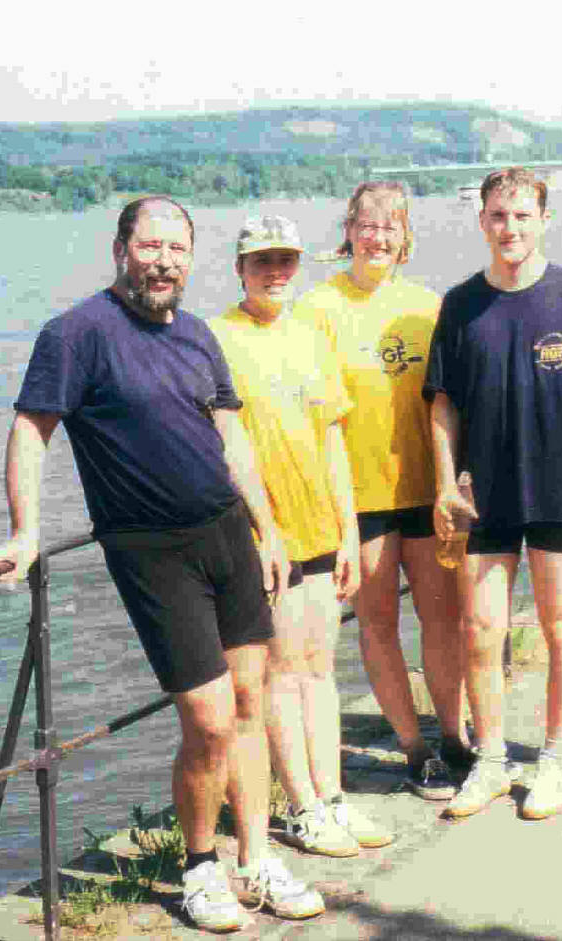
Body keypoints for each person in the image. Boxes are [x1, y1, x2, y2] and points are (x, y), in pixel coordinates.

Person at [0, 197, 324, 931]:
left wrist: (268, 529)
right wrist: (26, 529)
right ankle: (200, 866)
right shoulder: (77, 334)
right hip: (151, 550)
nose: (164, 260)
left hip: (228, 536)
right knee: (206, 719)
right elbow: (30, 430)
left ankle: (255, 857)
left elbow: (232, 440)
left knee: (249, 702)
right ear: (119, 249)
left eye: (177, 248)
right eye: (150, 246)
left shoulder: (199, 335)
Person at [425, 167, 562, 820]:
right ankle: (488, 760)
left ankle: (554, 758)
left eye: (521, 215)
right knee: (480, 629)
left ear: (542, 220)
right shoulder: (458, 304)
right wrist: (442, 480)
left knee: (561, 624)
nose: (509, 227)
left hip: (560, 485)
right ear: (481, 221)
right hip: (482, 493)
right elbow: (442, 405)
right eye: (497, 216)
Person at [207, 215, 393, 857]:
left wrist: (349, 531)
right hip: (269, 537)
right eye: (261, 261)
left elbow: (334, 436)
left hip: (321, 529)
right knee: (282, 673)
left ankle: (334, 795)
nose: (275, 272)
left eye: (285, 260)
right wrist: (260, 532)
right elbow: (222, 448)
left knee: (320, 667)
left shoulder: (311, 335)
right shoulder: (218, 339)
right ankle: (304, 806)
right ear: (239, 268)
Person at [294, 182, 470, 801]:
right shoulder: (315, 308)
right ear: (348, 230)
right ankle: (414, 748)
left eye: (391, 226)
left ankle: (454, 736)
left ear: (406, 237)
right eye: (367, 225)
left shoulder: (428, 307)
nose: (377, 237)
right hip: (359, 498)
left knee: (444, 618)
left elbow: (453, 399)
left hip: (427, 489)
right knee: (377, 623)